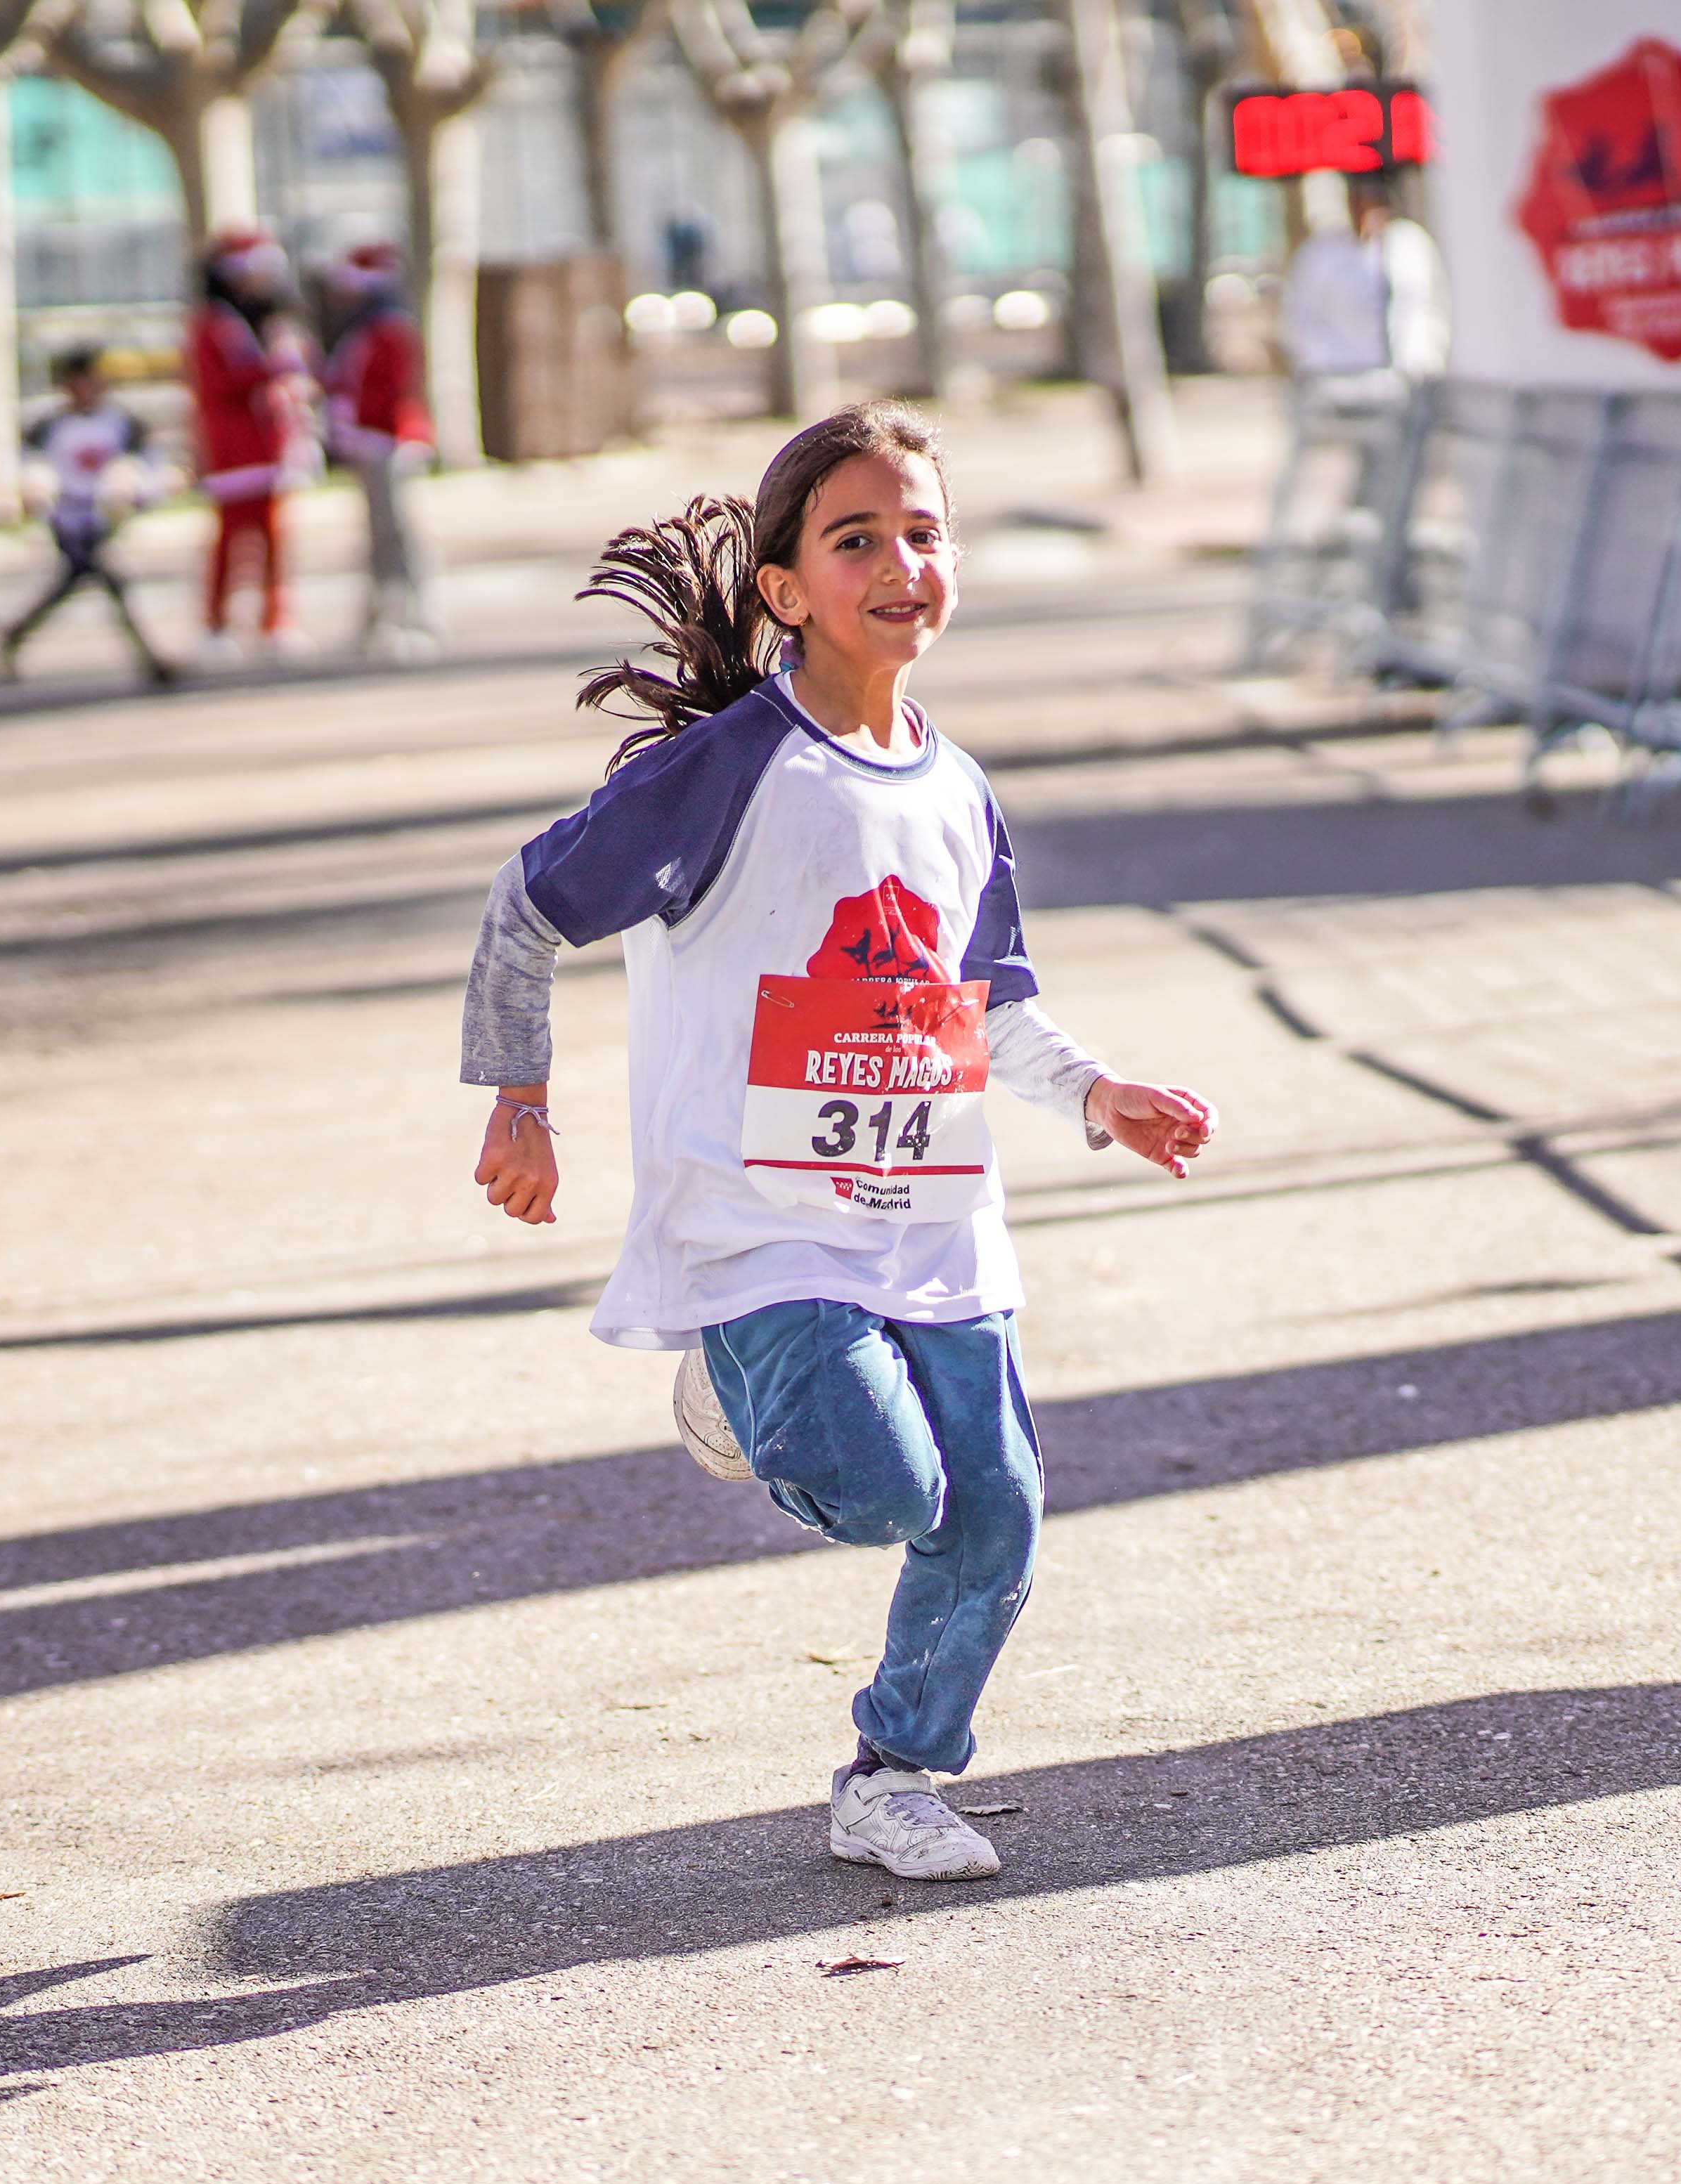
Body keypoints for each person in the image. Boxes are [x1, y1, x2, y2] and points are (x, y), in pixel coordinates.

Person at [459, 403, 1219, 1882]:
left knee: (993, 1513)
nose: (902, 562)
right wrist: (521, 1099)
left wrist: (1099, 1094)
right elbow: (527, 907)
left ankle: (894, 1773)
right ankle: (742, 1386)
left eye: (924, 532)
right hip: (760, 1226)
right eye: (857, 537)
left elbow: (987, 1003)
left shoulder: (957, 787)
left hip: (933, 1216)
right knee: (884, 1488)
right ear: (788, 590)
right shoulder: (728, 770)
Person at [1, 346, 179, 685]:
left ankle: (15, 636)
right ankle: (150, 657)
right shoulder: (50, 426)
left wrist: (139, 490)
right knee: (107, 582)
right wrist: (36, 494)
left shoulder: (122, 423)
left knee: (79, 582)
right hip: (67, 518)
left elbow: (148, 466)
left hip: (103, 516)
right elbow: (32, 468)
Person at [187, 235, 313, 656]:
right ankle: (216, 622)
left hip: (271, 444)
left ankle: (276, 619)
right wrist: (273, 368)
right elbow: (222, 384)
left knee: (275, 536)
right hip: (234, 448)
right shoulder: (213, 324)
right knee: (231, 539)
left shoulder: (269, 322)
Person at [316, 245, 439, 658]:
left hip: (389, 442)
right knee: (380, 536)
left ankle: (411, 617)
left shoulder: (388, 328)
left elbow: (391, 392)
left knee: (397, 534)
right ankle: (379, 617)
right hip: (370, 443)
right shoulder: (363, 329)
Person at [1279, 172, 1447, 394]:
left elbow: (1427, 310)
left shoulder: (1408, 246)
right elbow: (1301, 322)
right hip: (1337, 387)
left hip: (1403, 390)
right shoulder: (1321, 255)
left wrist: (1416, 367)